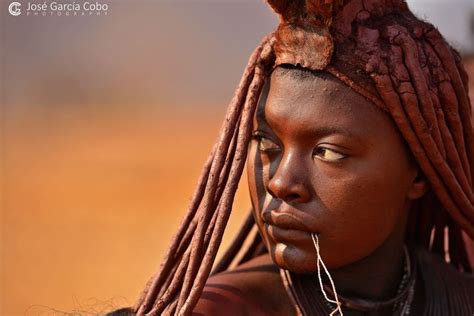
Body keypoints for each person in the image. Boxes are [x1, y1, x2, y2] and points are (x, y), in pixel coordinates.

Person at [109, 0, 474, 315]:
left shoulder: (459, 299)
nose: (280, 183)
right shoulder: (218, 309)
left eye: (327, 152)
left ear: (418, 173)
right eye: (267, 145)